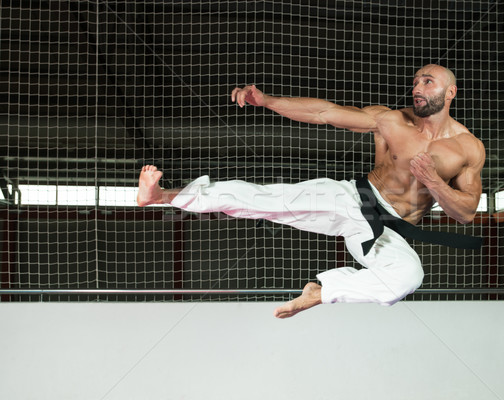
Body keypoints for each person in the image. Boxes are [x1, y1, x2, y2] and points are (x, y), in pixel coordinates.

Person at [137, 64, 485, 319]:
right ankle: (164, 196)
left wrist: (435, 183)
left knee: (408, 277)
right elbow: (324, 113)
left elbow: (467, 212)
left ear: (449, 92)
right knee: (265, 200)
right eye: (415, 82)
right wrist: (269, 101)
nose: (417, 88)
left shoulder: (468, 149)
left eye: (428, 81)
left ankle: (321, 292)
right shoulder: (391, 121)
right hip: (355, 199)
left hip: (386, 231)